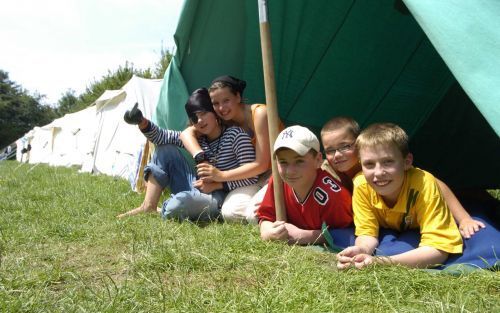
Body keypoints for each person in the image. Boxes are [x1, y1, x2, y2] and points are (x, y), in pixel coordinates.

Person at [320, 116, 485, 239]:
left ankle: (476, 195)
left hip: (417, 208)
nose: (337, 155)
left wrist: (464, 219)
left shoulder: (384, 166)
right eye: (330, 150)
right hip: (385, 217)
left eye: (345, 147)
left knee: (465, 195)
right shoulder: (331, 172)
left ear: (359, 146)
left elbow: (434, 184)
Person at [117, 88, 258, 221]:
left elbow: (252, 177)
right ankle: (148, 206)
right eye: (195, 118)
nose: (200, 121)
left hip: (220, 195)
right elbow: (161, 137)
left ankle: (171, 206)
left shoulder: (236, 135)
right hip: (196, 186)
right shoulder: (197, 137)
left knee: (179, 206)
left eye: (203, 113)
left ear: (214, 113)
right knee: (165, 150)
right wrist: (141, 121)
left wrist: (218, 185)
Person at [336, 123, 463, 269]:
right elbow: (367, 232)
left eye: (388, 162)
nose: (378, 172)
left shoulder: (423, 184)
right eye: (369, 164)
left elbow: (440, 250)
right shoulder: (361, 184)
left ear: (406, 162)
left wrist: (380, 262)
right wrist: (361, 250)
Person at [181, 75, 283, 223]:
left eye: (226, 101)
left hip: (278, 173)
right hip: (254, 179)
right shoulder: (223, 120)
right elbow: (186, 133)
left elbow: (261, 164)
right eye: (215, 103)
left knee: (252, 215)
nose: (221, 108)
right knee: (229, 213)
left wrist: (220, 176)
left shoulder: (260, 114)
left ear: (238, 96)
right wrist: (199, 155)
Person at [256, 125, 353, 245]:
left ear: (318, 160)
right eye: (283, 162)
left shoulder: (335, 196)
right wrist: (266, 230)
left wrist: (305, 236)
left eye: (299, 161)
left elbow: (347, 233)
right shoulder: (278, 181)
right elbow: (266, 215)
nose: (290, 171)